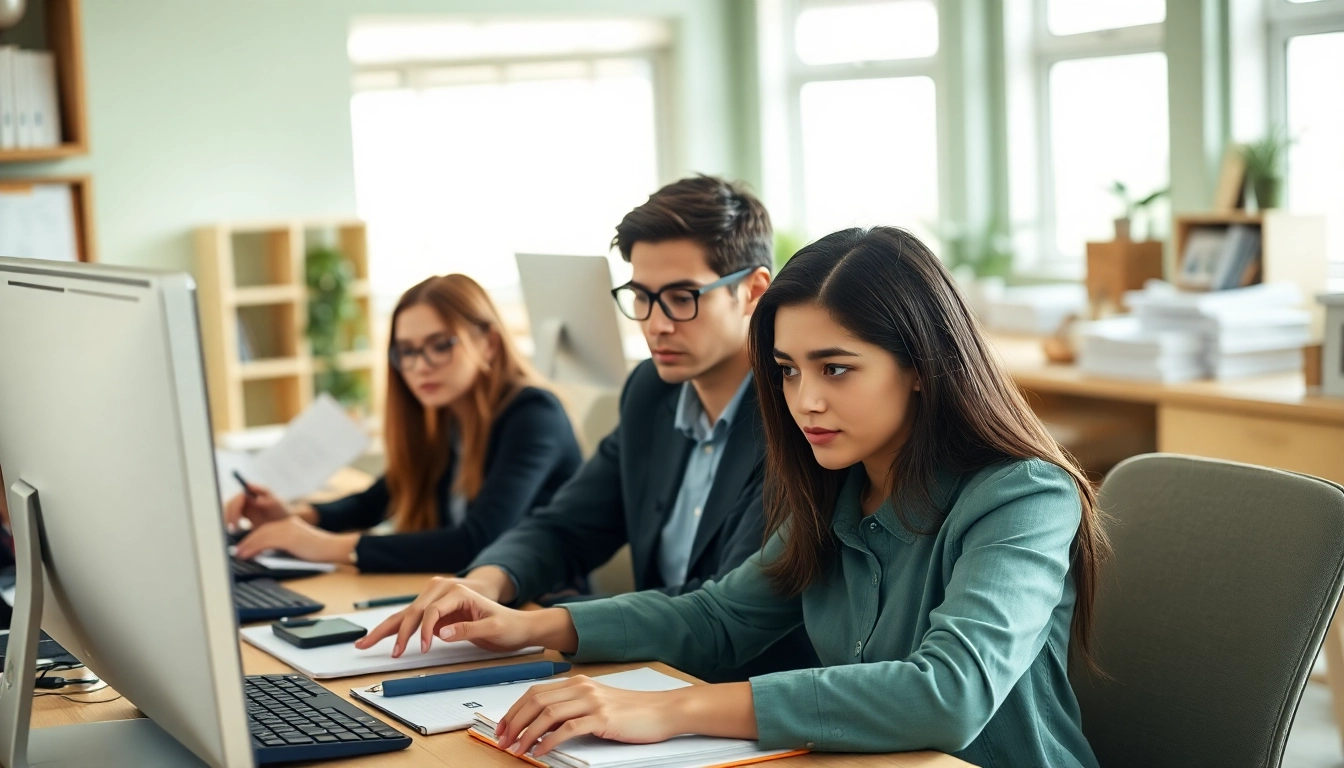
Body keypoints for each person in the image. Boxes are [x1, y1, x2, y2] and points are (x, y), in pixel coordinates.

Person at [359, 227, 1108, 767]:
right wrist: (527, 626)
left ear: (921, 365)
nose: (803, 400)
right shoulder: (837, 488)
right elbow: (719, 617)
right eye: (785, 370)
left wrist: (668, 710)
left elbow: (949, 693)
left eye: (835, 368)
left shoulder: (1023, 497)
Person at [362, 175, 818, 682]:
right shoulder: (652, 392)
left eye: (682, 297)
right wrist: (488, 583)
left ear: (753, 291)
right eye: (641, 296)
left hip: (745, 696)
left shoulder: (798, 416)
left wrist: (540, 624)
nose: (655, 324)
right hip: (647, 674)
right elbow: (566, 526)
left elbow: (721, 609)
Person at [224, 274, 582, 574]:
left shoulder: (535, 414)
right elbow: (375, 500)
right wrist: (294, 516)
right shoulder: (446, 415)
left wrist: (327, 546)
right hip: (467, 596)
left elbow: (477, 540)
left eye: (440, 345)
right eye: (407, 351)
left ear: (488, 343)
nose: (420, 366)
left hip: (541, 606)